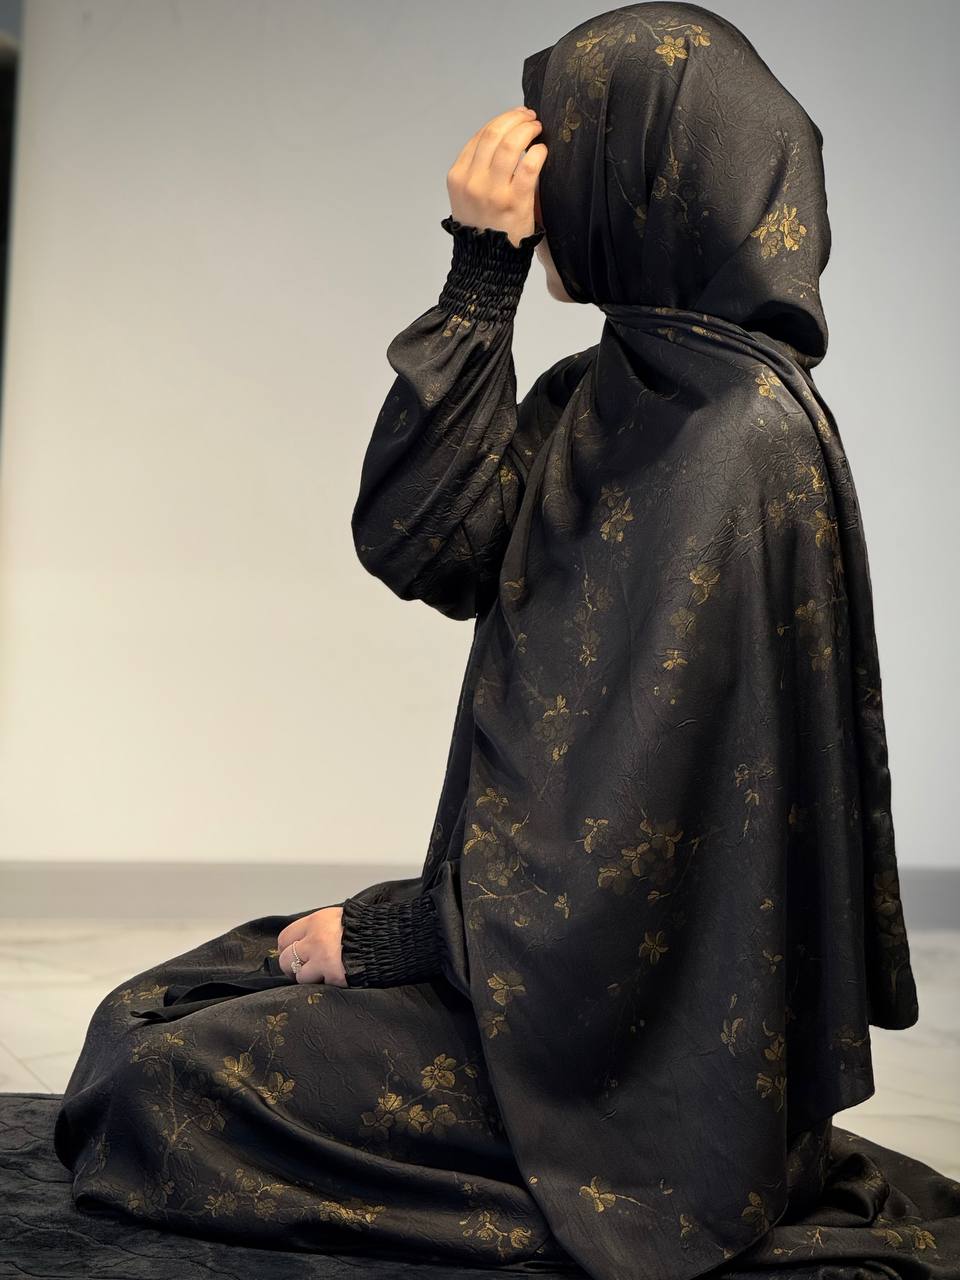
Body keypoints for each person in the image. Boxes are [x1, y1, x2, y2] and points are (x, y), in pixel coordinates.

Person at [54, 5, 960, 1279]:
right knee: (159, 1008)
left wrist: (400, 939)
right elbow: (425, 542)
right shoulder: (610, 389)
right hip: (535, 976)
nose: (540, 177)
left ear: (647, 176)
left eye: (568, 147)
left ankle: (614, 1191)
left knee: (154, 1083)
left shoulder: (741, 441)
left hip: (619, 1059)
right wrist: (481, 278)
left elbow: (633, 833)